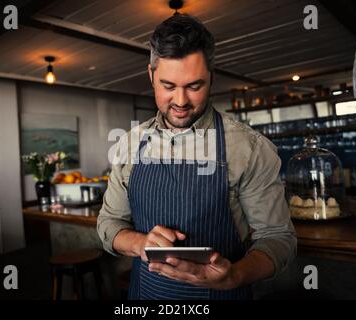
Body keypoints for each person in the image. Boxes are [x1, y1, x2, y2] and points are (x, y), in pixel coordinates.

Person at [97, 14, 296, 300]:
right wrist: (141, 243)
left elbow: (279, 238)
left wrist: (235, 275)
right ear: (151, 75)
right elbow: (108, 223)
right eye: (168, 86)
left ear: (211, 78)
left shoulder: (249, 148)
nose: (180, 101)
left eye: (194, 86)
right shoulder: (129, 143)